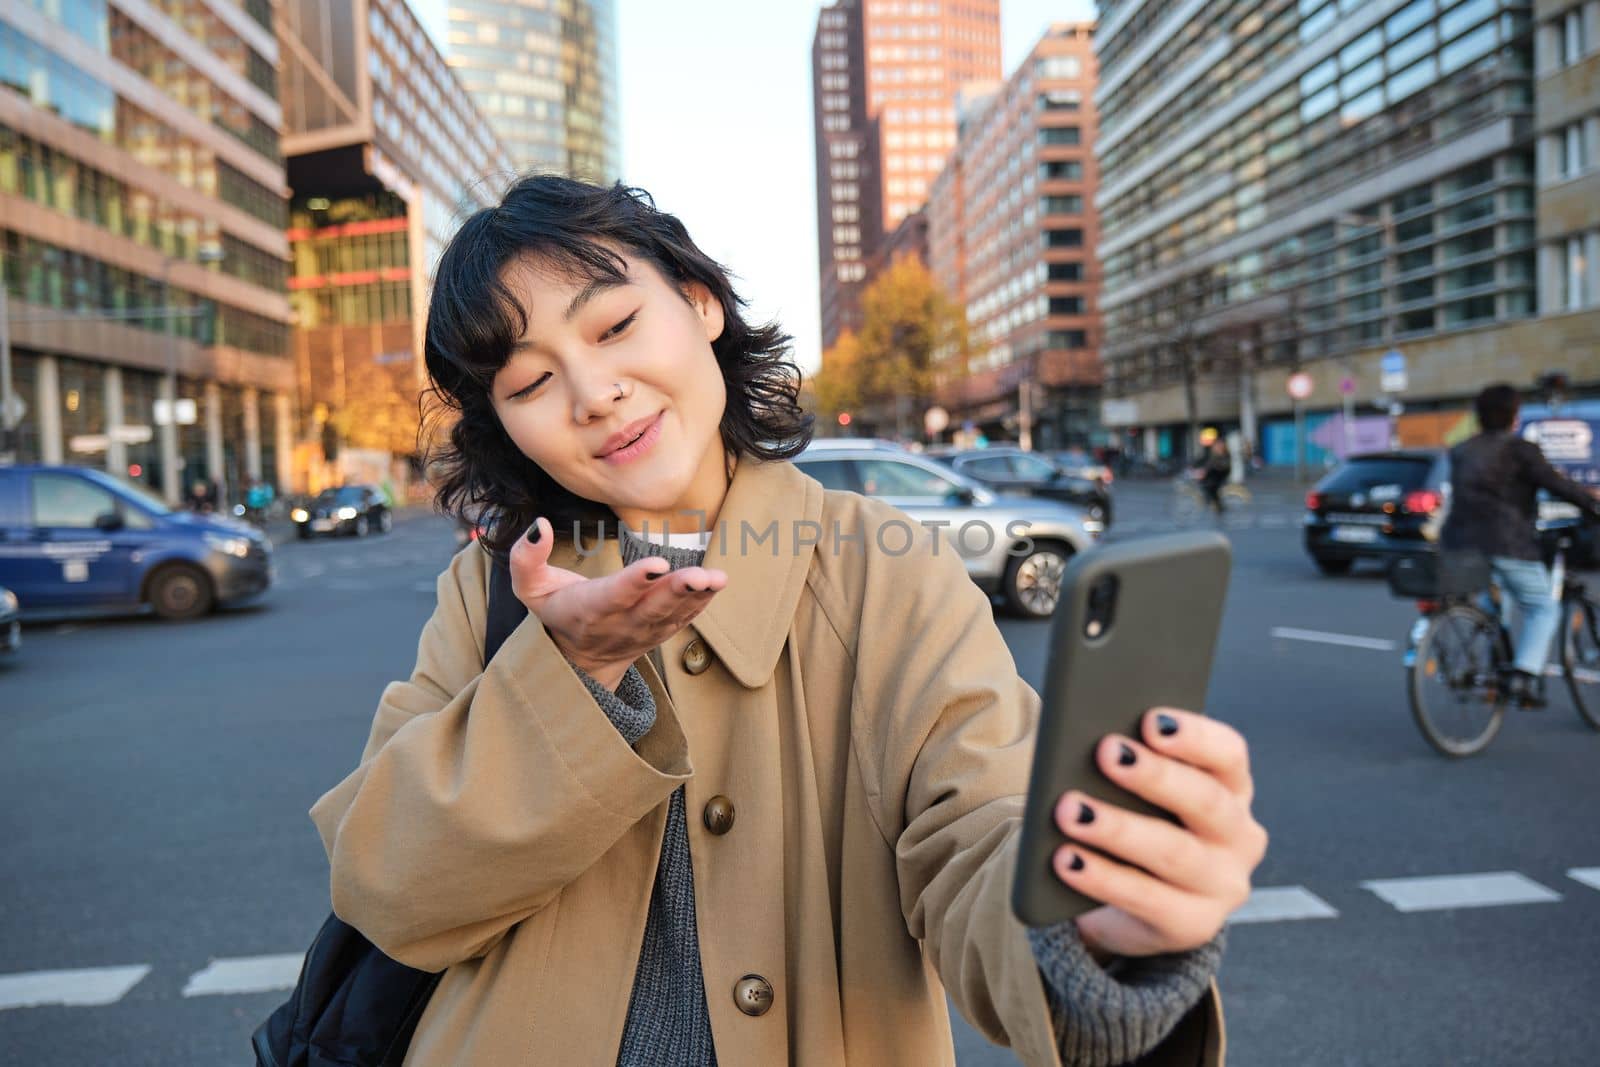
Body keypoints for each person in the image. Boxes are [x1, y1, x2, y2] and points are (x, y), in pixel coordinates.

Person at [307, 176, 1266, 1065]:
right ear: (503, 424)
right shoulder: (493, 591)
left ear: (699, 302)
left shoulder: (883, 574)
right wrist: (569, 676)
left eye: (615, 326)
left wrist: (1094, 928)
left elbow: (980, 829)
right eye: (527, 385)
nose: (594, 395)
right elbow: (388, 885)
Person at [1441, 384, 1600, 706]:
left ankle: (1491, 664)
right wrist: (1594, 505)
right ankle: (1524, 675)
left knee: (1495, 600)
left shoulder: (1461, 450)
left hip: (1460, 543)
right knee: (1543, 607)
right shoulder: (1519, 450)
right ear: (1515, 417)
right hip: (1506, 541)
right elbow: (1557, 484)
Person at [1191, 430, 1232, 515]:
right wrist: (1198, 467)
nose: (1218, 446)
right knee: (1206, 483)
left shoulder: (1224, 454)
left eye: (1220, 444)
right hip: (1215, 473)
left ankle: (1217, 505)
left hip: (1221, 474)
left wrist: (1206, 470)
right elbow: (1206, 461)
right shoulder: (1214, 453)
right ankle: (1213, 501)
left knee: (1211, 486)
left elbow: (1220, 465)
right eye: (1217, 444)